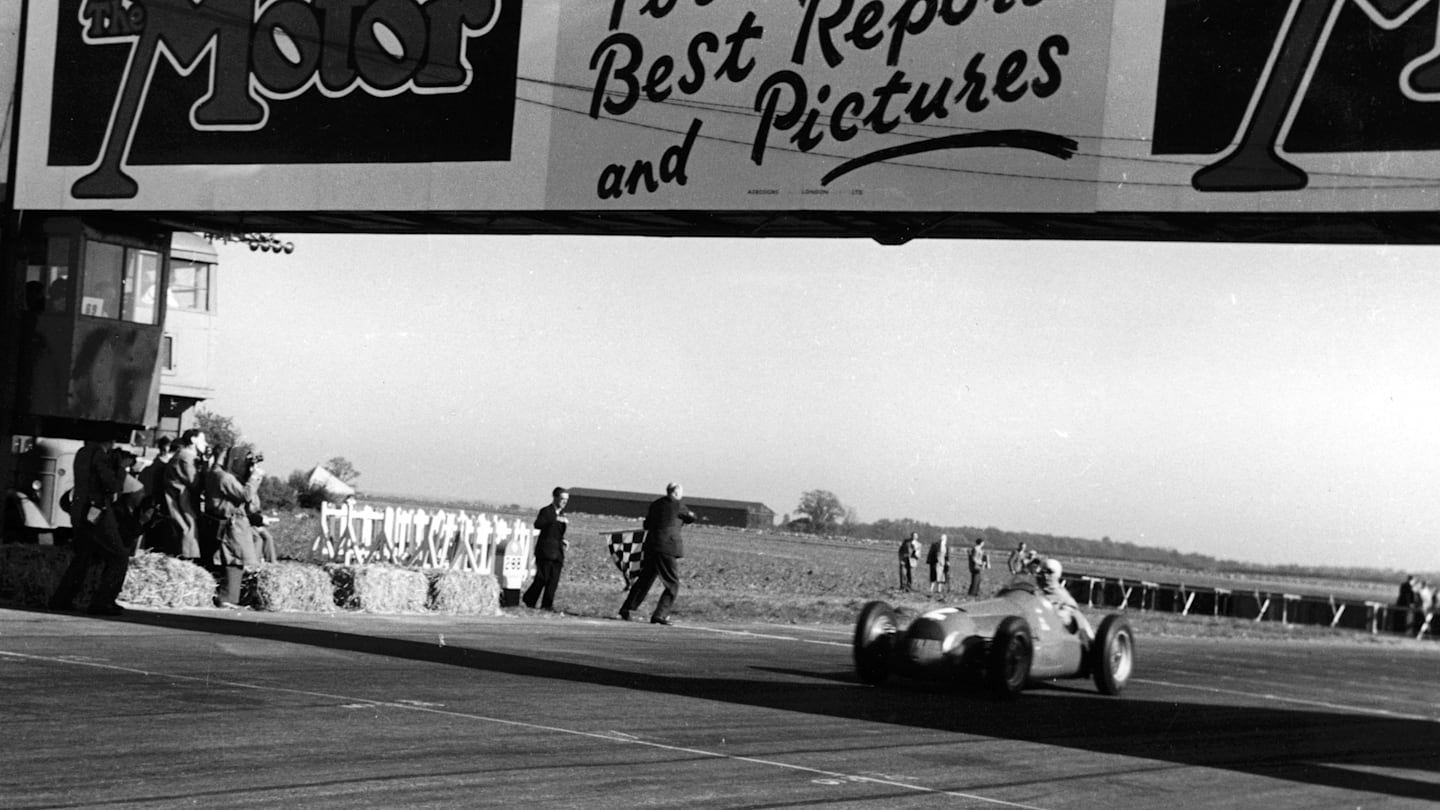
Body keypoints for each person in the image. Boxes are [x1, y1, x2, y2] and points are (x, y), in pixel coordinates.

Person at [48, 439, 135, 615]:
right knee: (119, 557)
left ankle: (61, 599)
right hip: (97, 514)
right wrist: (121, 467)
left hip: (80, 512)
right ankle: (103, 601)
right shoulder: (99, 455)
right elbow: (112, 486)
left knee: (83, 557)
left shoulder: (83, 452)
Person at [619, 483, 696, 625]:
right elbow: (691, 517)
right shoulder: (678, 505)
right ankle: (660, 614)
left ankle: (627, 608)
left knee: (645, 579)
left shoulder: (656, 504)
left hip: (651, 545)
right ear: (676, 493)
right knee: (672, 583)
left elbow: (646, 524)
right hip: (667, 547)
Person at [203, 448, 261, 607]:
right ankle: (227, 597)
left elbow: (252, 506)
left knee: (237, 559)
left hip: (236, 522)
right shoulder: (224, 477)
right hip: (232, 524)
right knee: (234, 558)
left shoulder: (223, 475)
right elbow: (245, 496)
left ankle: (231, 597)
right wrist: (254, 479)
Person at [160, 429, 206, 559]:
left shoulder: (182, 456)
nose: (205, 443)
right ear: (193, 440)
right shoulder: (186, 457)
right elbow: (194, 482)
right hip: (181, 500)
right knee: (187, 529)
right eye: (202, 440)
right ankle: (187, 558)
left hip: (179, 499)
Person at [523, 487, 570, 611]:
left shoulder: (563, 515)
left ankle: (547, 605)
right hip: (545, 551)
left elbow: (558, 532)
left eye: (566, 500)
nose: (564, 502)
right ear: (555, 498)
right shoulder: (546, 511)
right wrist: (552, 519)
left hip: (558, 551)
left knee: (553, 580)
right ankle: (529, 599)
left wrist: (563, 540)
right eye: (562, 499)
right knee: (542, 578)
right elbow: (538, 524)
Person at [1036, 557, 1093, 645]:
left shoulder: (1062, 595)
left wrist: (1060, 614)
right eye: (1043, 572)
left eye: (1049, 572)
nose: (1045, 575)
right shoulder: (1036, 590)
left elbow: (1071, 610)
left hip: (1057, 635)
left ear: (1057, 575)